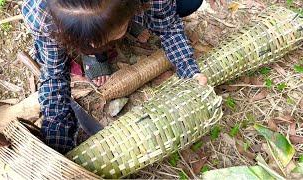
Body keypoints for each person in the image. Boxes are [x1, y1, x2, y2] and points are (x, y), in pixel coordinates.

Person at [21, 0, 207, 154]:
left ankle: (124, 25)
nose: (93, 43)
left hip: (129, 9)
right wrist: (57, 137)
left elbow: (169, 27)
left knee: (189, 2)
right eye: (89, 42)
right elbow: (54, 74)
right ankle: (94, 49)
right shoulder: (42, 14)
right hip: (83, 22)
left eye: (97, 40)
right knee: (87, 42)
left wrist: (188, 68)